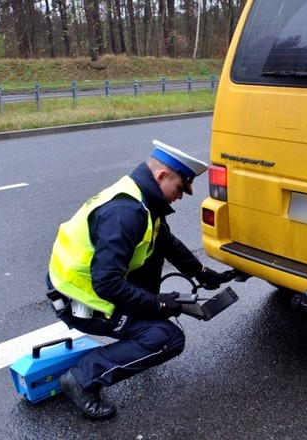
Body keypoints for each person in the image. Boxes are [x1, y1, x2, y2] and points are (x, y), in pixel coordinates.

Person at [46, 139, 229, 420]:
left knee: (153, 257)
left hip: (92, 286)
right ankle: (82, 378)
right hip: (80, 298)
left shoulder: (141, 199)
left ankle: (139, 326)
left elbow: (165, 240)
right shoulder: (125, 213)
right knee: (166, 338)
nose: (179, 196)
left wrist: (200, 273)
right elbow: (106, 284)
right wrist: (158, 305)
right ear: (161, 176)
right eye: (180, 188)